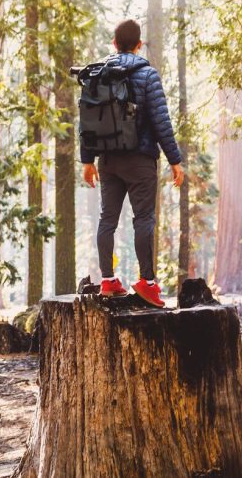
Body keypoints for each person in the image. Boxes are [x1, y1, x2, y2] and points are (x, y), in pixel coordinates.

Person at [81, 19, 184, 308]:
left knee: (107, 219)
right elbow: (160, 121)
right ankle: (147, 284)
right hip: (140, 160)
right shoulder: (148, 75)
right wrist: (175, 160)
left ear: (114, 44)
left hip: (108, 160)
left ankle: (108, 280)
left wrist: (87, 160)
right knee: (144, 219)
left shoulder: (98, 75)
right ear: (139, 45)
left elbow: (87, 118)